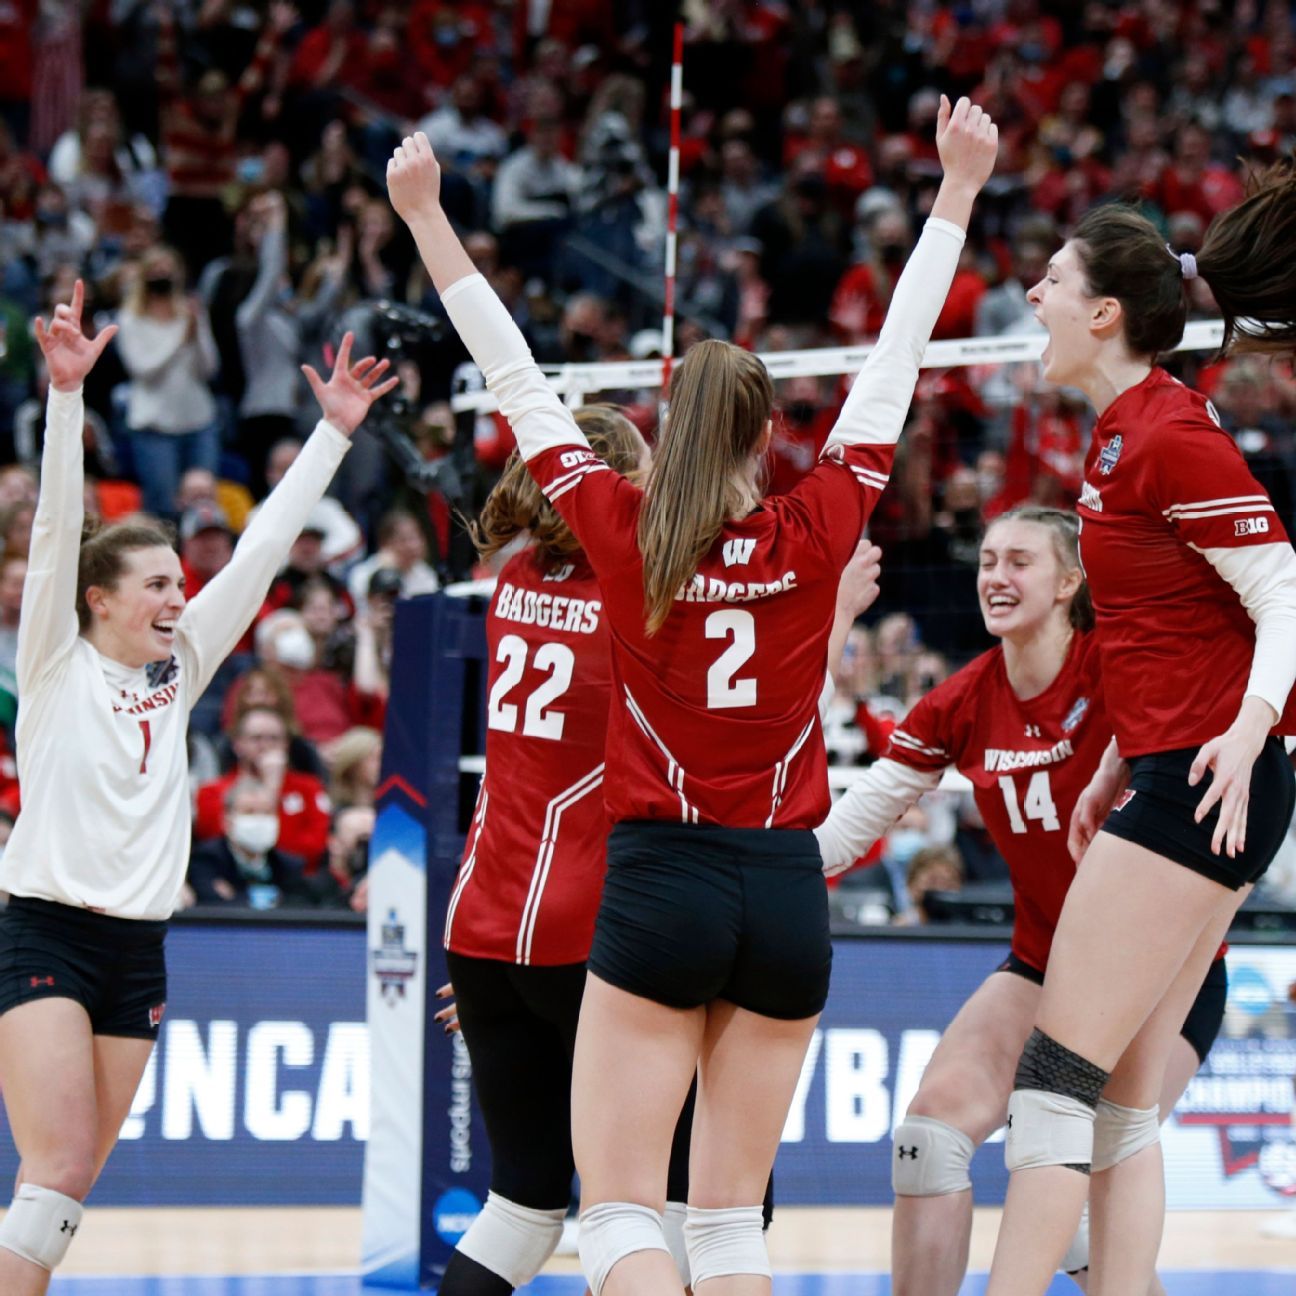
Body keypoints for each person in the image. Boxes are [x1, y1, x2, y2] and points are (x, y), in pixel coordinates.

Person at [389, 95, 998, 1296]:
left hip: (660, 879)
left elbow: (511, 374)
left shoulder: (618, 533)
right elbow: (892, 368)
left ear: (664, 432)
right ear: (772, 432)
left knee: (615, 1214)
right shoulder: (821, 523)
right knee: (725, 1229)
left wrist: (429, 218)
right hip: (782, 889)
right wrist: (956, 195)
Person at [0, 281, 395, 1295]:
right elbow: (53, 535)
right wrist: (65, 398)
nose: (180, 597)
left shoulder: (180, 670)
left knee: (68, 1189)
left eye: (182, 584)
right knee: (48, 1180)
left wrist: (332, 438)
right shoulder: (54, 662)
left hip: (138, 947)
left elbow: (262, 552)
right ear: (102, 601)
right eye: (159, 585)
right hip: (43, 928)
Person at [985, 186, 1296, 1295]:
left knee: (1053, 1081)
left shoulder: (1166, 431)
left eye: (1054, 281)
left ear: (1105, 312)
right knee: (1118, 1104)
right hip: (1180, 767)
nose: (1033, 293)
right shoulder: (1124, 437)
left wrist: (1250, 727)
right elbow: (1172, 624)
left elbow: (1284, 590)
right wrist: (1123, 746)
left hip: (1212, 778)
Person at [816, 507, 1228, 1296]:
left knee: (1096, 1157)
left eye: (1019, 563)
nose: (995, 578)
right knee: (928, 1141)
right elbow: (851, 826)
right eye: (986, 562)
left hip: (1161, 980)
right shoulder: (962, 700)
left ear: (1071, 582)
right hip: (1044, 965)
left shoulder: (1123, 669)